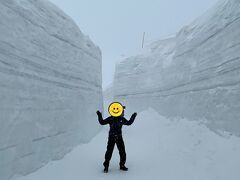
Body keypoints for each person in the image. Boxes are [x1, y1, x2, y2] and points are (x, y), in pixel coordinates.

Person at [96, 102, 137, 173]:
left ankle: (122, 165)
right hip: (111, 137)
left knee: (122, 152)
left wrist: (133, 116)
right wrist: (99, 115)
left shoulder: (122, 119)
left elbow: (129, 123)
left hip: (119, 138)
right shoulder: (110, 118)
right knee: (109, 152)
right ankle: (106, 166)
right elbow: (102, 122)